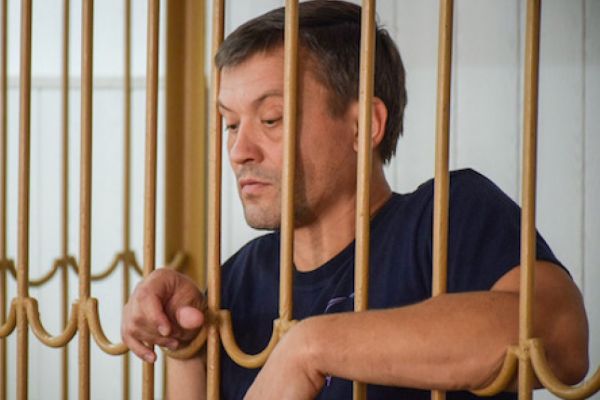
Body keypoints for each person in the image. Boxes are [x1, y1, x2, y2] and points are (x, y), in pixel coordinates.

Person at [121, 1, 589, 399]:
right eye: (229, 124)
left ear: (364, 125)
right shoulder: (237, 280)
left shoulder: (446, 218)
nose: (239, 151)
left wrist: (310, 348)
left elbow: (561, 338)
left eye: (271, 119)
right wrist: (183, 341)